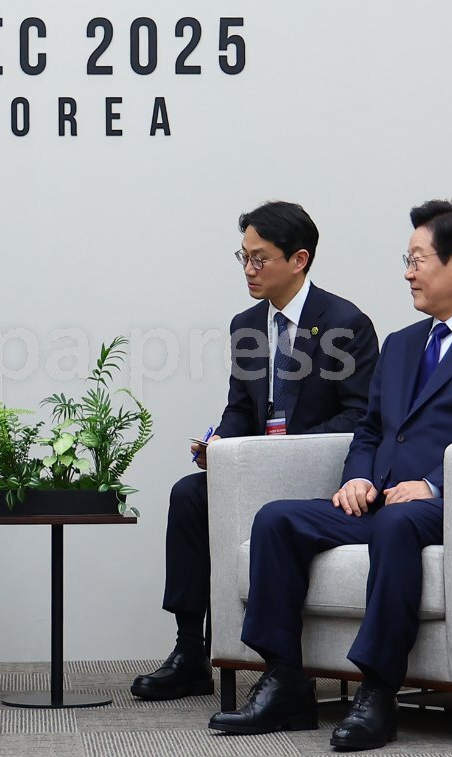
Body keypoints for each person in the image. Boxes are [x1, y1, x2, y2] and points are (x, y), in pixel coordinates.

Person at [208, 200, 452, 750]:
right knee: (277, 520)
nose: (407, 273)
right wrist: (358, 478)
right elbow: (368, 429)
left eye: (417, 260)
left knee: (397, 524)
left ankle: (378, 692)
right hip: (382, 501)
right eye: (406, 260)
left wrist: (433, 485)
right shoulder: (403, 343)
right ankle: (285, 680)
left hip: (448, 508)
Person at [132, 201, 379, 701]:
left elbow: (358, 417)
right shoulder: (246, 324)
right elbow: (241, 408)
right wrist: (222, 443)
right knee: (189, 495)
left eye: (260, 258)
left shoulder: (344, 323)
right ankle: (189, 650)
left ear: (299, 259)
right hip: (255, 468)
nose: (248, 269)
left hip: (313, 470)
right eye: (243, 257)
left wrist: (282, 448)